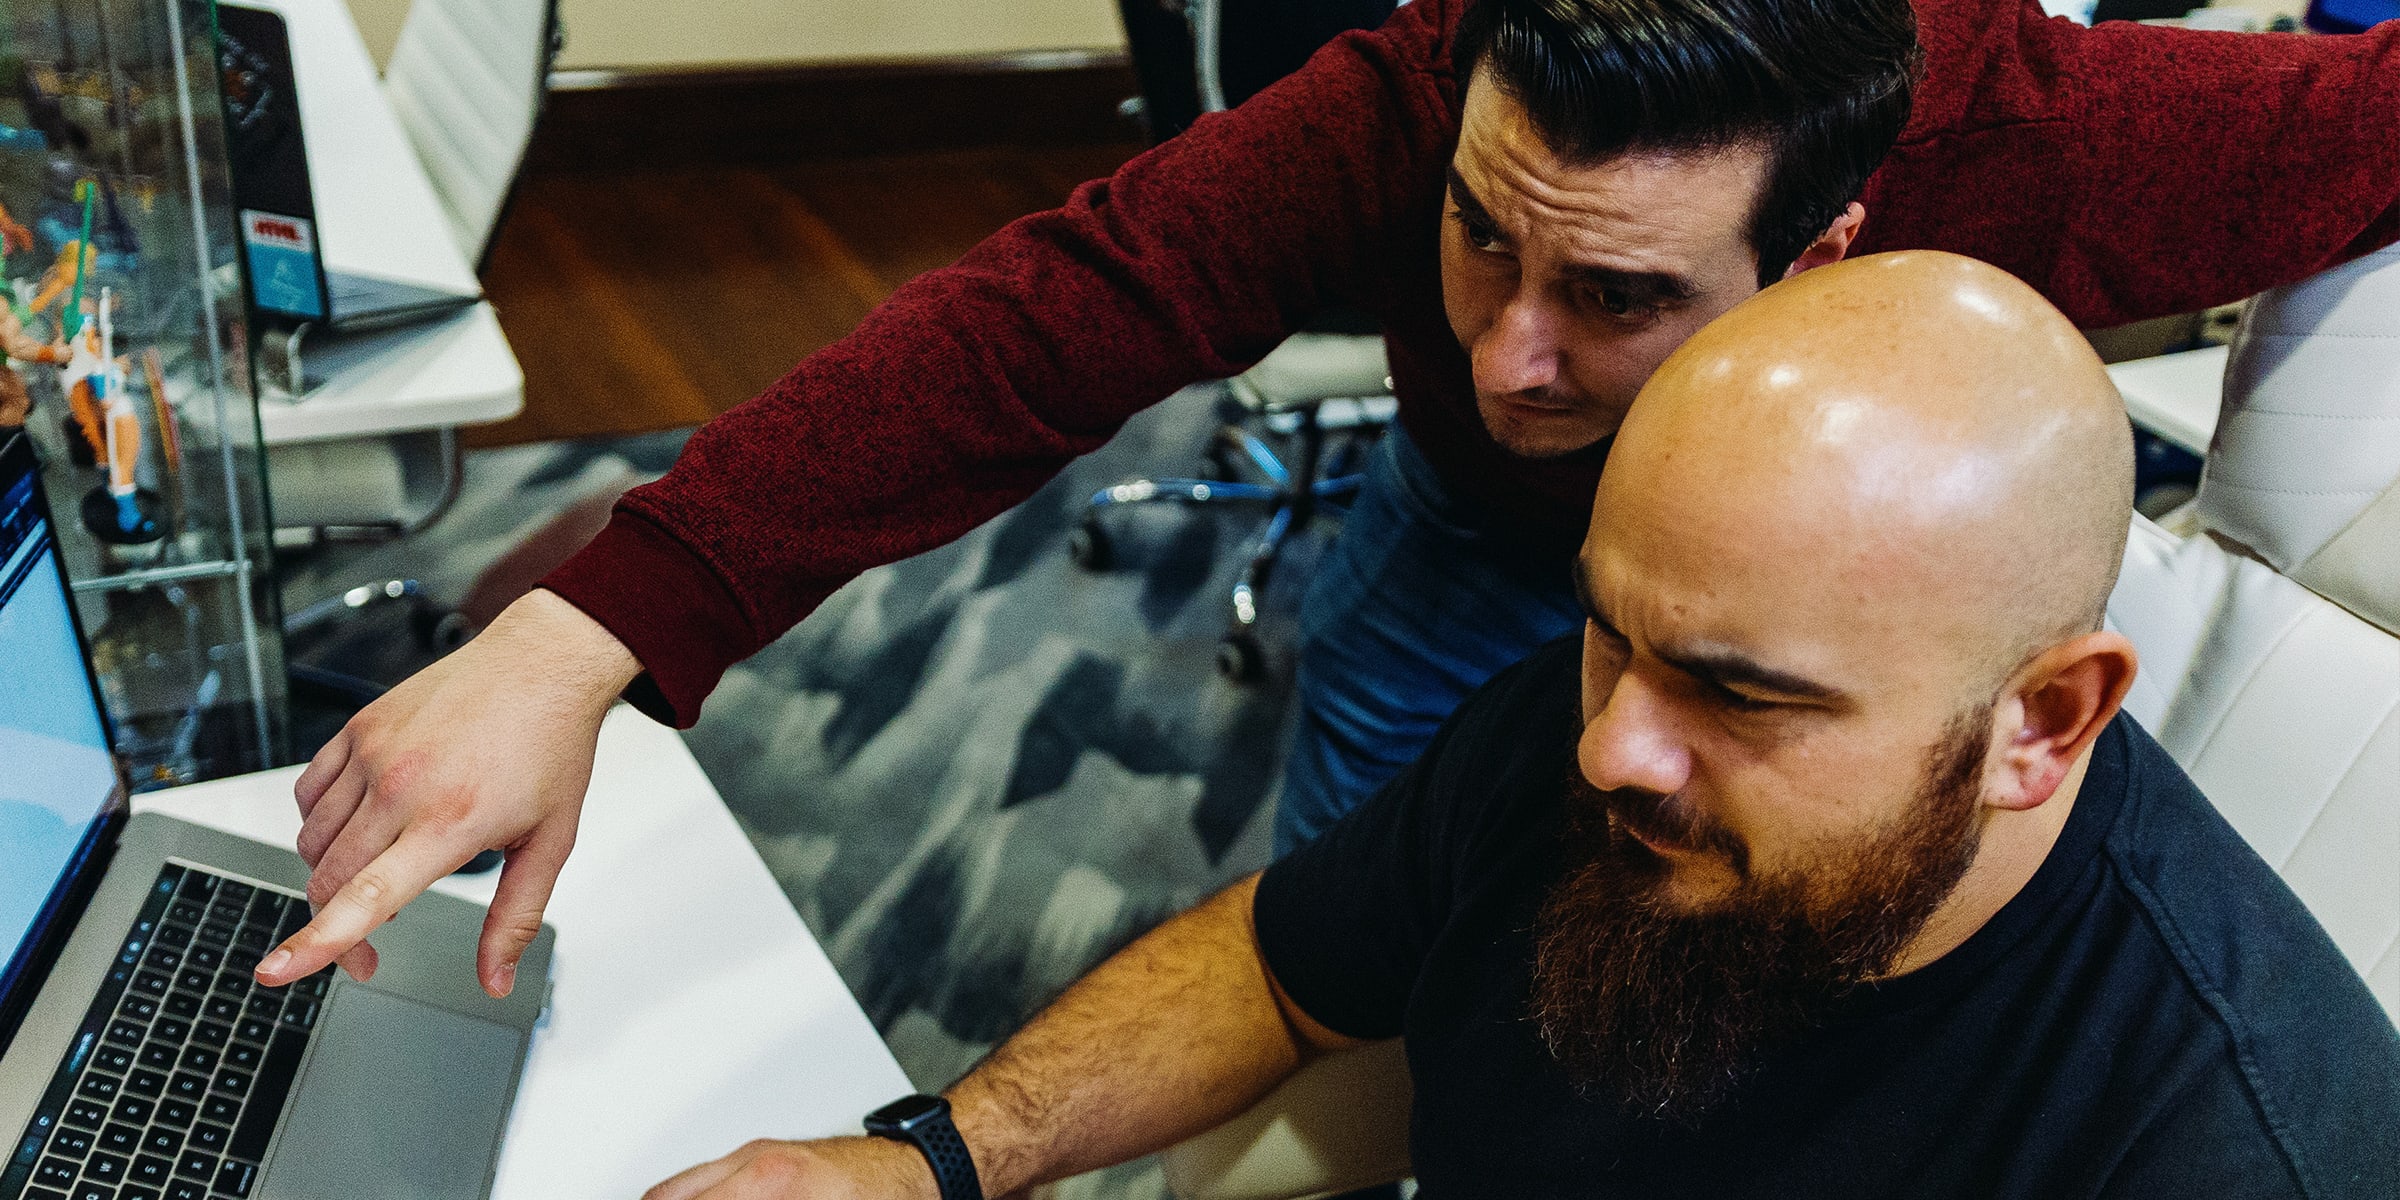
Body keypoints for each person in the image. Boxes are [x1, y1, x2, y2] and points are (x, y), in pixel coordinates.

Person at [255, 0, 2400, 999]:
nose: (1504, 353)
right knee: (1365, 908)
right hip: (1474, 551)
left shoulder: (2063, 133)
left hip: (1836, 617)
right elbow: (1039, 325)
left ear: (1828, 243)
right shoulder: (1393, 108)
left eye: (1617, 295)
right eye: (1484, 240)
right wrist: (590, 624)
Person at [641, 252, 2400, 1200]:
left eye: (1742, 691)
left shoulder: (2228, 1142)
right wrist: (935, 1162)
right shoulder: (1622, 746)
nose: (1615, 748)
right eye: (1609, 636)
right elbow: (1282, 959)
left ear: (2044, 719)